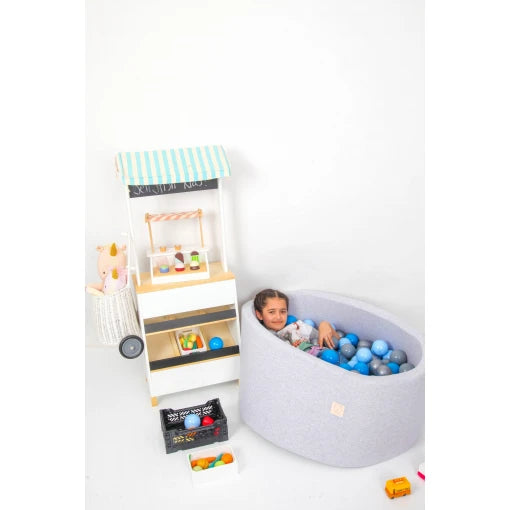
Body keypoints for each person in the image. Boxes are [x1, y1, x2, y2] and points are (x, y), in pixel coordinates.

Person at [253, 289, 339, 350]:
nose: (278, 317)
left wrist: (324, 325)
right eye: (271, 312)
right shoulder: (265, 337)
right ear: (259, 315)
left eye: (283, 311)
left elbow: (335, 343)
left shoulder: (296, 327)